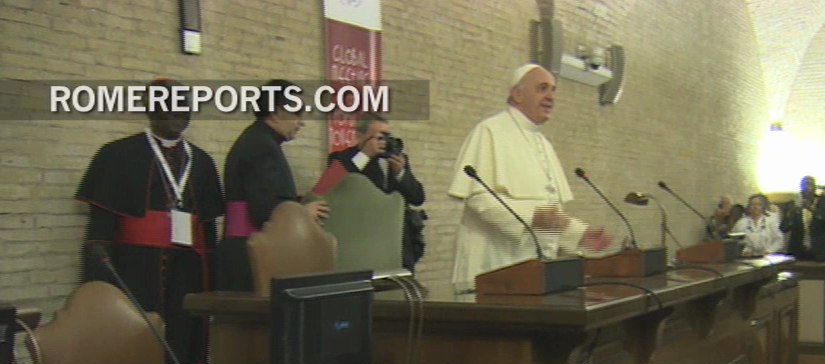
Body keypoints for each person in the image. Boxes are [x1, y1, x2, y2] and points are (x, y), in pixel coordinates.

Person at [75, 78, 224, 364]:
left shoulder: (202, 161)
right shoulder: (117, 154)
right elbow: (100, 229)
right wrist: (100, 277)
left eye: (185, 105)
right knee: (138, 338)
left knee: (185, 338)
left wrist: (213, 281)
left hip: (189, 270)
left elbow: (208, 228)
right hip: (135, 267)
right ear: (150, 108)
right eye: (170, 104)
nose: (179, 112)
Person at [446, 63, 613, 291]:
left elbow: (548, 215)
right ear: (517, 94)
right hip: (494, 266)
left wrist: (579, 233)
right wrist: (533, 217)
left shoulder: (544, 144)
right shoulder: (490, 131)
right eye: (542, 88)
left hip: (535, 273)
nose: (551, 97)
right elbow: (479, 199)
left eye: (553, 90)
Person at [215, 79, 330, 292]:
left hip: (247, 249)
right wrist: (303, 213)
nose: (301, 122)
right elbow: (263, 210)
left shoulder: (259, 140)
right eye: (297, 113)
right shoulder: (262, 147)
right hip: (250, 255)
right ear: (277, 112)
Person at [326, 113, 427, 272]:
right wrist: (365, 156)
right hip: (362, 241)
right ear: (360, 136)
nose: (385, 142)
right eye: (380, 137)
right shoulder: (341, 158)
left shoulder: (398, 159)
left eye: (388, 136)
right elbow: (329, 186)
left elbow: (418, 197)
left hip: (398, 241)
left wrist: (400, 173)